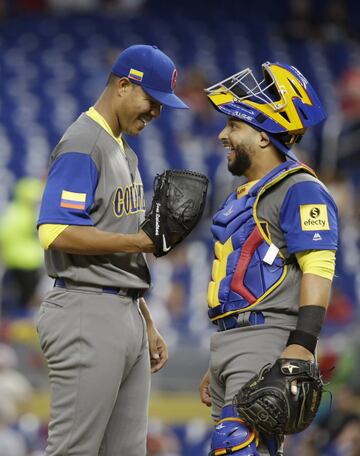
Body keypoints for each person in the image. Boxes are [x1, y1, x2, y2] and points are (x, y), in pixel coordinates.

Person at [36, 44, 188, 456]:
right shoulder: (84, 142)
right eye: (152, 100)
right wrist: (139, 241)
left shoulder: (124, 150)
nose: (156, 112)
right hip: (86, 309)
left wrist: (147, 321)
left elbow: (118, 249)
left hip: (124, 311)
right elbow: (55, 230)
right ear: (124, 85)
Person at [199, 62, 338, 455]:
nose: (223, 135)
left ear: (263, 136)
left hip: (268, 338)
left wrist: (302, 343)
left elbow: (319, 267)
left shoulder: (301, 189)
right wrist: (219, 359)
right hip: (231, 340)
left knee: (240, 446)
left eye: (233, 126)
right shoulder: (242, 193)